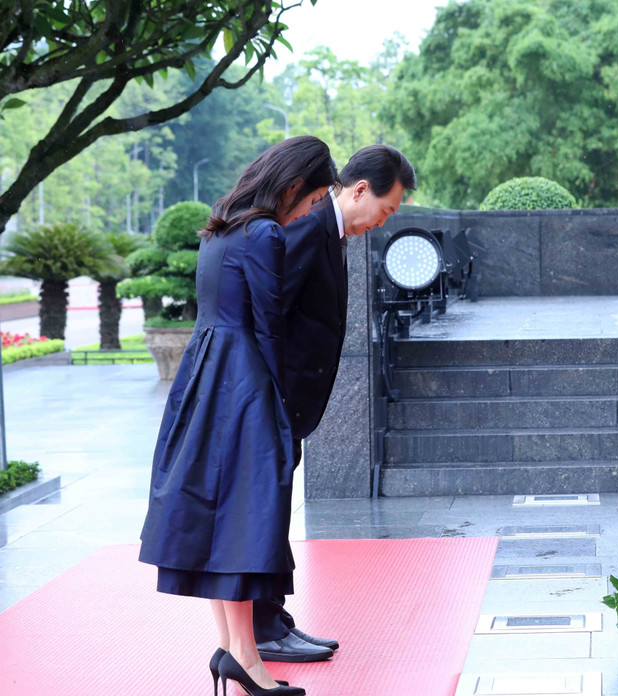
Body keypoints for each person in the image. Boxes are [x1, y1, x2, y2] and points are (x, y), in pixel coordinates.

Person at [139, 136, 339, 695]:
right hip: (245, 381)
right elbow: (269, 325)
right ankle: (245, 659)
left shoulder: (219, 229)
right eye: (316, 197)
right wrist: (280, 405)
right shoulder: (266, 233)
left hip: (205, 377)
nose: (311, 212)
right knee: (245, 521)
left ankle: (234, 651)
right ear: (295, 185)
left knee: (220, 519)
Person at [252, 145, 417, 662]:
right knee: (266, 511)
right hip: (272, 399)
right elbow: (268, 315)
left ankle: (274, 618)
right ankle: (261, 628)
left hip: (290, 402)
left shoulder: (333, 229)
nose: (382, 221)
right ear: (360, 189)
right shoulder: (307, 226)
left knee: (277, 509)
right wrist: (271, 397)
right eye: (385, 210)